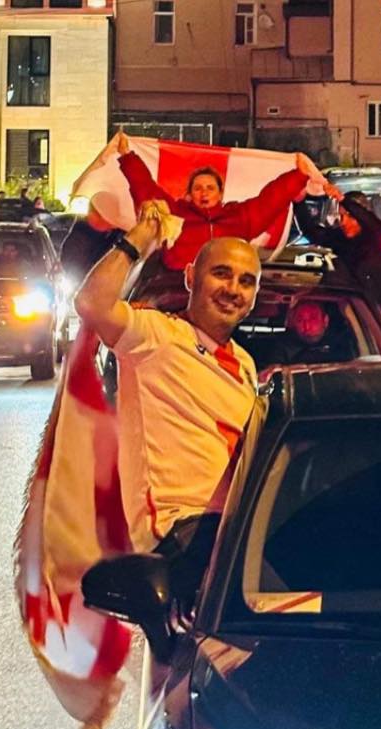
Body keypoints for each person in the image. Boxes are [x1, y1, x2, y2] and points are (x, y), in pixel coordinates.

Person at [74, 203, 260, 562]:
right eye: (221, 274)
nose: (233, 289)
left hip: (239, 527)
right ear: (191, 277)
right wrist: (140, 237)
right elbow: (92, 303)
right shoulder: (156, 335)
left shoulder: (245, 363)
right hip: (183, 534)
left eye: (246, 281)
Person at [116, 134, 315, 270]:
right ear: (189, 194)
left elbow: (269, 201)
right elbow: (147, 189)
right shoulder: (174, 216)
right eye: (198, 188)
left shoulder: (238, 217)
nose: (204, 193)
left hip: (225, 291)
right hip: (178, 293)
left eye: (210, 188)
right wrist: (127, 157)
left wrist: (299, 175)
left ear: (220, 194)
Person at [301, 185, 381, 310]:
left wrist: (342, 199)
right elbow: (313, 233)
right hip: (344, 308)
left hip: (372, 311)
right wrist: (299, 202)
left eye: (350, 216)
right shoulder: (341, 239)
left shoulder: (378, 237)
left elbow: (370, 221)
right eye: (341, 216)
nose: (343, 222)